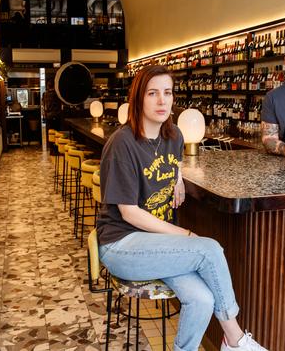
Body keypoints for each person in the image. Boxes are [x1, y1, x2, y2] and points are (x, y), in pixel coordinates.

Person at [97, 65, 267, 351]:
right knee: (209, 248)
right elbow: (129, 212)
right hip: (121, 243)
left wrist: (176, 178)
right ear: (138, 98)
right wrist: (184, 234)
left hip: (159, 243)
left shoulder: (173, 135)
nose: (162, 101)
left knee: (202, 299)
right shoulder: (122, 144)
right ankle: (236, 340)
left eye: (168, 92)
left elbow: (171, 161)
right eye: (153, 93)